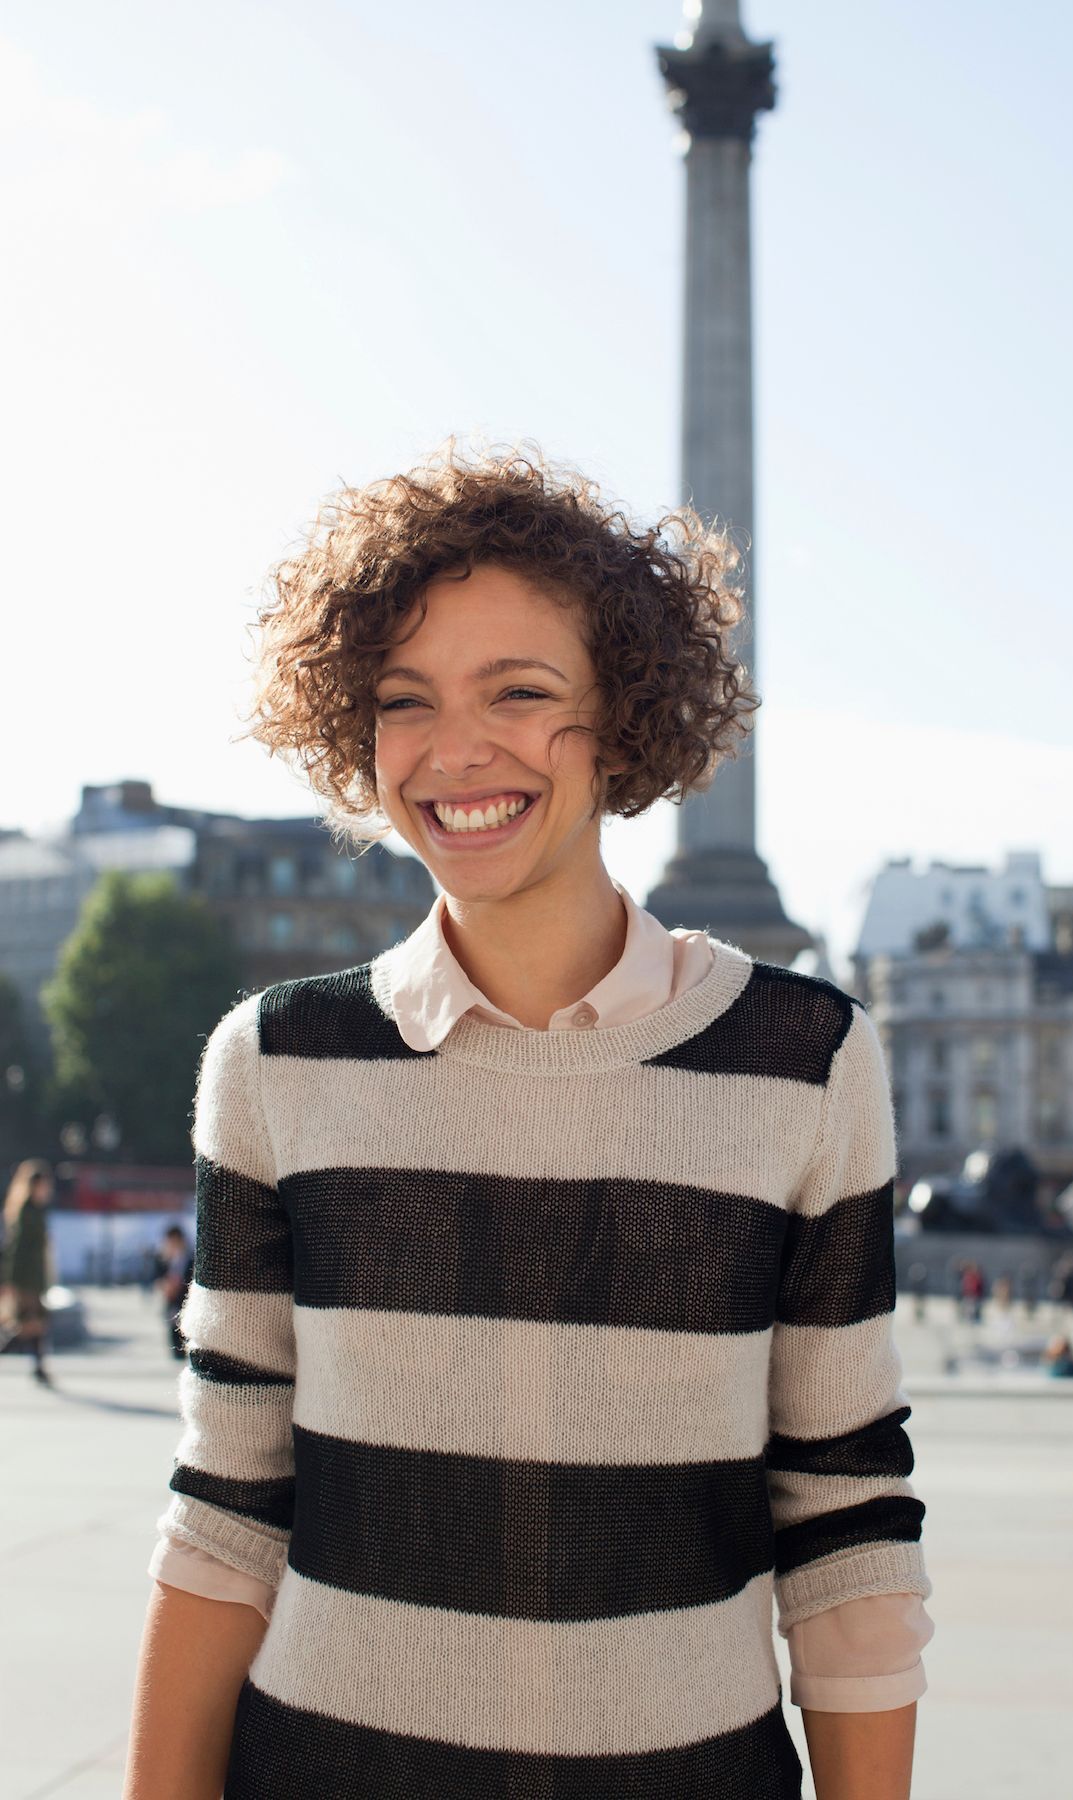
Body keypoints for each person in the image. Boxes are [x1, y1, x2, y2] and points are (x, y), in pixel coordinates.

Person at [124, 442, 935, 1800]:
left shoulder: (805, 1062)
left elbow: (845, 1518)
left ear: (622, 719)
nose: (455, 752)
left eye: (521, 692)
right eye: (404, 700)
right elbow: (226, 1511)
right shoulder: (274, 1062)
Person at [1, 1157, 56, 1385]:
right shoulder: (27, 1212)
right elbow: (17, 1250)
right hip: (26, 1278)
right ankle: (33, 1363)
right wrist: (10, 1280)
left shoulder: (36, 1210)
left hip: (34, 1278)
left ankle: (39, 1367)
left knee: (34, 1323)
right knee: (32, 1323)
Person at [154, 1225, 195, 1360]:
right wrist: (164, 1285)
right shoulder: (163, 1259)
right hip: (171, 1303)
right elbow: (156, 1277)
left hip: (187, 1302)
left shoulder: (191, 1258)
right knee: (173, 1335)